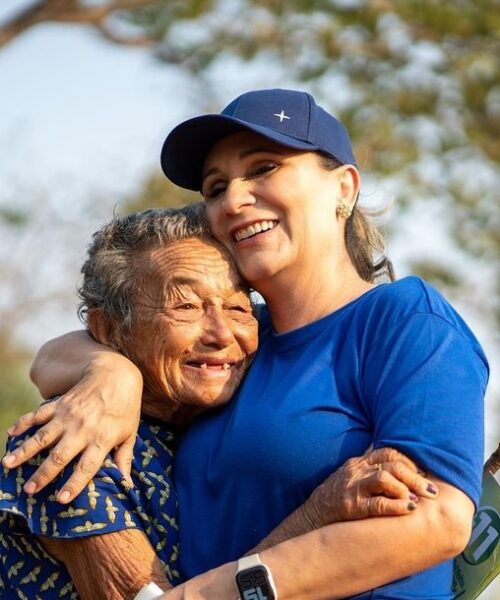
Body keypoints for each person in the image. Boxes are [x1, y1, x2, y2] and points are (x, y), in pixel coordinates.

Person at [4, 89, 488, 598]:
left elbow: (436, 520)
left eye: (264, 168)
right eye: (215, 188)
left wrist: (199, 596)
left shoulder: (403, 321)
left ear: (343, 188)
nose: (234, 200)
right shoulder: (233, 345)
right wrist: (111, 373)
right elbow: (57, 355)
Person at [0, 205, 430, 600]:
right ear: (109, 329)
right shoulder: (69, 443)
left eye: (239, 307)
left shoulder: (234, 387)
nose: (223, 335)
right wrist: (316, 519)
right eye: (185, 306)